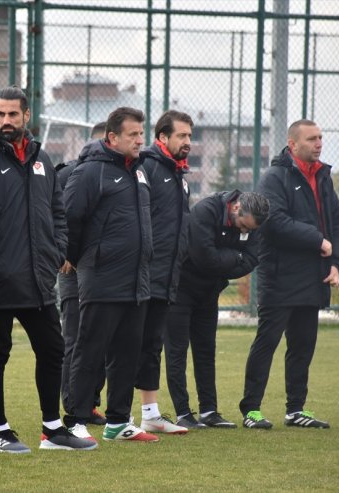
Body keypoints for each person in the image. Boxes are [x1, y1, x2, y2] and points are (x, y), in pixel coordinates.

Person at [0, 86, 95, 453]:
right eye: (0, 114)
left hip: (37, 278)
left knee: (52, 350)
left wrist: (57, 250)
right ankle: (0, 433)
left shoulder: (42, 160)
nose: (5, 121)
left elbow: (56, 211)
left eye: (13, 115)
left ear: (27, 116)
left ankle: (52, 430)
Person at [239, 119, 339, 429]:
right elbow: (274, 222)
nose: (319, 143)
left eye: (321, 137)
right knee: (267, 341)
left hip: (313, 278)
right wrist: (318, 240)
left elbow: (337, 223)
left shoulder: (324, 177)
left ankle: (295, 409)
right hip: (281, 277)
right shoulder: (275, 177)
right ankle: (251, 410)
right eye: (312, 138)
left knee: (303, 345)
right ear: (292, 143)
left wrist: (336, 263)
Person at [64, 107, 157, 443]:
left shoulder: (140, 171)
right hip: (101, 277)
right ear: (112, 137)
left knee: (127, 356)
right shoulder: (90, 172)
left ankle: (118, 422)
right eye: (133, 135)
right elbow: (69, 217)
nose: (139, 140)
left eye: (141, 134)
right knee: (89, 353)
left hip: (137, 282)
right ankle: (75, 420)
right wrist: (71, 257)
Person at [166, 190, 269, 430]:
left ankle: (209, 411)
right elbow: (203, 258)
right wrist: (235, 255)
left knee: (205, 351)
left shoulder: (254, 222)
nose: (246, 232)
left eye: (250, 230)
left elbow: (253, 259)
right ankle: (183, 413)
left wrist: (225, 261)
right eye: (244, 226)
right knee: (177, 351)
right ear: (236, 208)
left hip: (210, 291)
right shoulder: (206, 211)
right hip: (180, 289)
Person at [135, 110, 193, 435]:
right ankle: (105, 414)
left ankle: (150, 413)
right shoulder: (147, 168)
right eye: (181, 136)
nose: (187, 142)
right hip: (141, 276)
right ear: (162, 138)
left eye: (189, 136)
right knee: (126, 344)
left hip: (166, 277)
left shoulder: (179, 176)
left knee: (152, 344)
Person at [57, 121, 107, 428]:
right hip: (72, 268)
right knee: (74, 338)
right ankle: (73, 405)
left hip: (103, 269)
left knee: (99, 338)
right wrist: (64, 252)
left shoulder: (121, 176)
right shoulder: (67, 174)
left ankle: (90, 403)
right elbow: (55, 216)